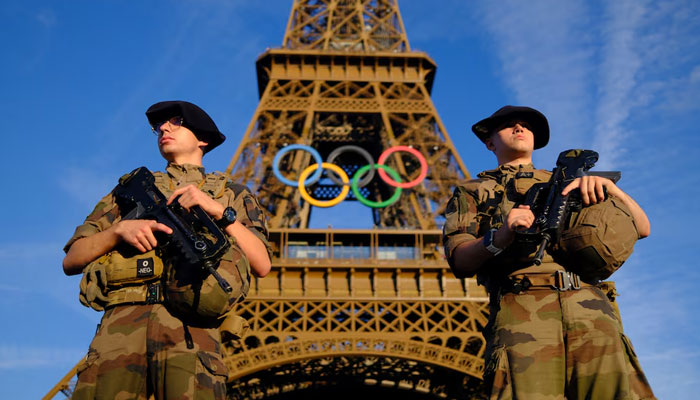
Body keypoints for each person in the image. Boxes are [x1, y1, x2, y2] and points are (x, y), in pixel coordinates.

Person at [443, 105, 655, 400]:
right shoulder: (473, 191)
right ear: (489, 142)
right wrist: (501, 236)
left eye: (525, 125)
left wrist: (610, 189)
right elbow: (460, 258)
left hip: (591, 309)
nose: (519, 128)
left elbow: (642, 228)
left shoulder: (570, 180)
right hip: (523, 312)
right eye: (507, 125)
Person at [63, 100, 272, 400]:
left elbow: (262, 264)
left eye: (176, 121)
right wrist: (118, 232)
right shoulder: (129, 191)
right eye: (159, 126)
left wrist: (218, 212)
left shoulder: (233, 195)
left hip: (191, 330)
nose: (164, 128)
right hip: (119, 329)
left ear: (203, 139)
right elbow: (72, 260)